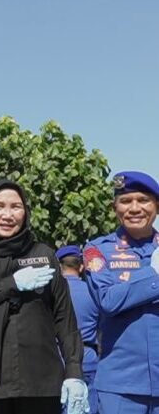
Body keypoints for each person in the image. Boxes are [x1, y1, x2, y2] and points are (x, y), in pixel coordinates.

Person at [0, 179, 87, 414]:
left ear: (26, 212)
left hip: (41, 386)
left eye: (16, 207)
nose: (8, 215)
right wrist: (10, 285)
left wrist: (74, 373)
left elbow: (65, 320)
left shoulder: (43, 255)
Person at [83, 171, 159, 413]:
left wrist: (132, 290)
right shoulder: (97, 250)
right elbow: (109, 300)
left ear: (157, 206)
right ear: (115, 207)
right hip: (120, 387)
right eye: (126, 201)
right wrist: (154, 275)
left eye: (143, 200)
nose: (134, 208)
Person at [56, 245, 99, 414]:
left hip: (59, 357)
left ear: (59, 267)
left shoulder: (50, 294)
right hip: (88, 357)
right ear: (81, 267)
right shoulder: (93, 292)